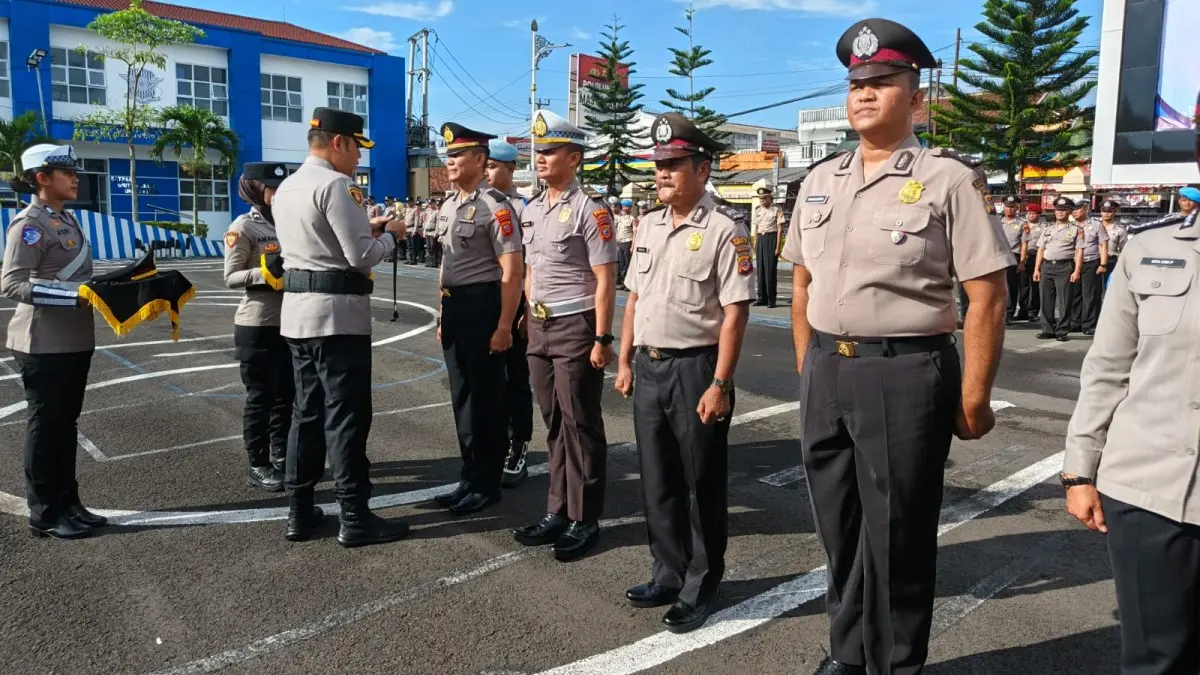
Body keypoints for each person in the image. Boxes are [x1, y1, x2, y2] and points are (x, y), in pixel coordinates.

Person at [783, 19, 1012, 675]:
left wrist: (974, 398)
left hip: (905, 374)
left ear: (916, 98)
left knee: (899, 537)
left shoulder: (949, 181)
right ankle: (849, 654)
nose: (864, 93)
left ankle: (896, 664)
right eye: (857, 82)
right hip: (828, 369)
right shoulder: (820, 180)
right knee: (841, 528)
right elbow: (800, 283)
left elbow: (987, 295)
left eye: (882, 82)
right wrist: (808, 368)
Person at [614, 112, 753, 634]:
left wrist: (720, 383)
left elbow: (735, 311)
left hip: (697, 370)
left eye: (674, 164)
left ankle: (701, 583)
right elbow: (634, 300)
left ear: (703, 168)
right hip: (649, 367)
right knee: (658, 478)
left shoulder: (724, 230)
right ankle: (667, 572)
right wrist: (624, 360)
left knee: (701, 481)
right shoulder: (648, 225)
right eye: (660, 165)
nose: (663, 173)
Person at [1062, 199, 1200, 675]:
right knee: (1155, 661)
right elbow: (1107, 367)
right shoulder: (1150, 248)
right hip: (1150, 490)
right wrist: (1078, 470)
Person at [272, 107, 409, 547]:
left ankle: (299, 510)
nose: (358, 161)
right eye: (356, 149)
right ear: (339, 143)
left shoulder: (288, 187)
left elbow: (315, 241)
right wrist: (393, 236)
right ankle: (354, 516)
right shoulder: (337, 185)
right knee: (347, 416)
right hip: (337, 319)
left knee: (305, 414)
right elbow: (361, 256)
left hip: (296, 316)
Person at [511, 109, 618, 561]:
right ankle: (557, 509)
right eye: (539, 151)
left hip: (576, 325)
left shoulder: (591, 209)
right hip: (540, 325)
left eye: (550, 151)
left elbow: (606, 279)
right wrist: (526, 311)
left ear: (574, 157)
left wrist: (603, 338)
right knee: (553, 422)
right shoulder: (533, 208)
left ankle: (584, 517)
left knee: (580, 424)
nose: (541, 158)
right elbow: (532, 269)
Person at [0, 144, 105, 540]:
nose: (75, 177)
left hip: (74, 338)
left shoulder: (65, 219)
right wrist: (76, 295)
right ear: (42, 178)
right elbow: (11, 283)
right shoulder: (28, 224)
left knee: (65, 425)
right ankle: (44, 512)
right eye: (66, 172)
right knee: (46, 427)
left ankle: (69, 502)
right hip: (42, 342)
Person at [431, 122, 524, 514]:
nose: (450, 162)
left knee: (486, 401)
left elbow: (512, 271)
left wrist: (504, 326)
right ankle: (469, 476)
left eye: (457, 155)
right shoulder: (450, 204)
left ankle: (487, 483)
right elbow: (444, 265)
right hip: (455, 308)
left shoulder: (495, 206)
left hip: (484, 307)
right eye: (448, 155)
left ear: (480, 159)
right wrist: (441, 312)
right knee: (462, 398)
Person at [223, 161, 292, 492]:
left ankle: (282, 456)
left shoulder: (289, 223)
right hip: (258, 324)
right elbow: (230, 276)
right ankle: (259, 464)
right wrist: (262, 274)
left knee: (286, 396)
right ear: (254, 189)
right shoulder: (243, 227)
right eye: (272, 189)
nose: (277, 194)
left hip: (290, 322)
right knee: (261, 398)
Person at [486, 138, 535, 487]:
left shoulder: (523, 208)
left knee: (515, 378)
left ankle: (518, 445)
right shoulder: (475, 204)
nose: (487, 172)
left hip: (515, 300)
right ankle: (493, 442)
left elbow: (531, 264)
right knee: (486, 381)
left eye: (493, 166)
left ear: (510, 169)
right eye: (485, 165)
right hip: (484, 301)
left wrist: (528, 309)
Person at [1033, 196, 1085, 342]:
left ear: (1069, 212)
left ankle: (1062, 331)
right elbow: (1041, 249)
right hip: (1047, 266)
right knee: (1046, 300)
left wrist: (1077, 271)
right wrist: (1037, 269)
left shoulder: (1076, 230)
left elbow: (1079, 251)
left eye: (1064, 210)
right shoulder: (1047, 229)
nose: (1060, 212)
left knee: (1064, 300)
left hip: (1065, 266)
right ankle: (1047, 329)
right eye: (1058, 210)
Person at [1068, 200, 1108, 335]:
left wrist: (1103, 264)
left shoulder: (1096, 225)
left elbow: (1103, 245)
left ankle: (1089, 324)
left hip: (1091, 262)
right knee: (1075, 294)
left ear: (1085, 210)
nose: (1074, 213)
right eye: (1072, 210)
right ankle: (1075, 322)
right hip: (1072, 263)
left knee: (1090, 294)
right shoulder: (1069, 225)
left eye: (1077, 210)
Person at [752, 185, 784, 308]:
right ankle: (761, 298)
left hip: (771, 238)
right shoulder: (758, 209)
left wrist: (777, 247)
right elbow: (756, 227)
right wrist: (755, 242)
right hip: (761, 239)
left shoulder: (777, 209)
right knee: (760, 270)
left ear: (771, 198)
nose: (762, 201)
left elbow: (780, 229)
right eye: (761, 199)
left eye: (765, 198)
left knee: (770, 271)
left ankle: (771, 300)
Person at [998, 195, 1025, 324]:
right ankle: (998, 312)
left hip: (1013, 256)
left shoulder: (1021, 224)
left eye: (1012, 207)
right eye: (1007, 207)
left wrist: (1022, 261)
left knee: (1011, 287)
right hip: (998, 256)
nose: (1009, 209)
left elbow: (1024, 243)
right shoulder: (998, 222)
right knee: (998, 286)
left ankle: (1009, 313)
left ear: (1017, 208)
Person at [1017, 203, 1043, 321]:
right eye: (1029, 213)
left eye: (1034, 213)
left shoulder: (1043, 227)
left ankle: (1033, 311)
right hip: (1023, 257)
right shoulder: (1022, 225)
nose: (1031, 215)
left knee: (1035, 286)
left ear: (1039, 214)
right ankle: (1023, 310)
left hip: (1036, 257)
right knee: (1023, 286)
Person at [1099, 199, 1127, 289]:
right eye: (1104, 211)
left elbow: (1124, 250)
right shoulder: (1094, 227)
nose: (1106, 213)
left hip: (1111, 261)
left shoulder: (1119, 229)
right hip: (1095, 261)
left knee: (1109, 288)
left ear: (1114, 212)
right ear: (1101, 212)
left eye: (1109, 211)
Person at [615, 200, 636, 291]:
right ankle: (620, 282)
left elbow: (635, 233)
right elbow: (616, 230)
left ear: (630, 208)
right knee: (620, 263)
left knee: (627, 264)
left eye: (627, 206)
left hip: (628, 242)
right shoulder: (619, 218)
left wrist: (633, 246)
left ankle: (627, 283)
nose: (625, 208)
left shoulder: (632, 219)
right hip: (619, 242)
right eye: (623, 206)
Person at [423, 198, 441, 268]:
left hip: (433, 232)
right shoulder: (428, 211)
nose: (430, 205)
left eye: (431, 203)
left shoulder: (437, 212)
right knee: (428, 248)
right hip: (427, 231)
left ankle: (435, 262)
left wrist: (436, 233)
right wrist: (424, 231)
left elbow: (437, 223)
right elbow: (425, 222)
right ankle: (430, 261)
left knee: (434, 248)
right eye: (429, 204)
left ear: (434, 203)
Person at [406, 198, 424, 265]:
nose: (408, 203)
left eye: (409, 202)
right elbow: (405, 219)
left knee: (413, 246)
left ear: (412, 202)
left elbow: (416, 221)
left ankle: (414, 259)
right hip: (407, 229)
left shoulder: (415, 209)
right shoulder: (407, 209)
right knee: (409, 245)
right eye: (407, 202)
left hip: (412, 228)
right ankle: (409, 258)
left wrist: (414, 230)